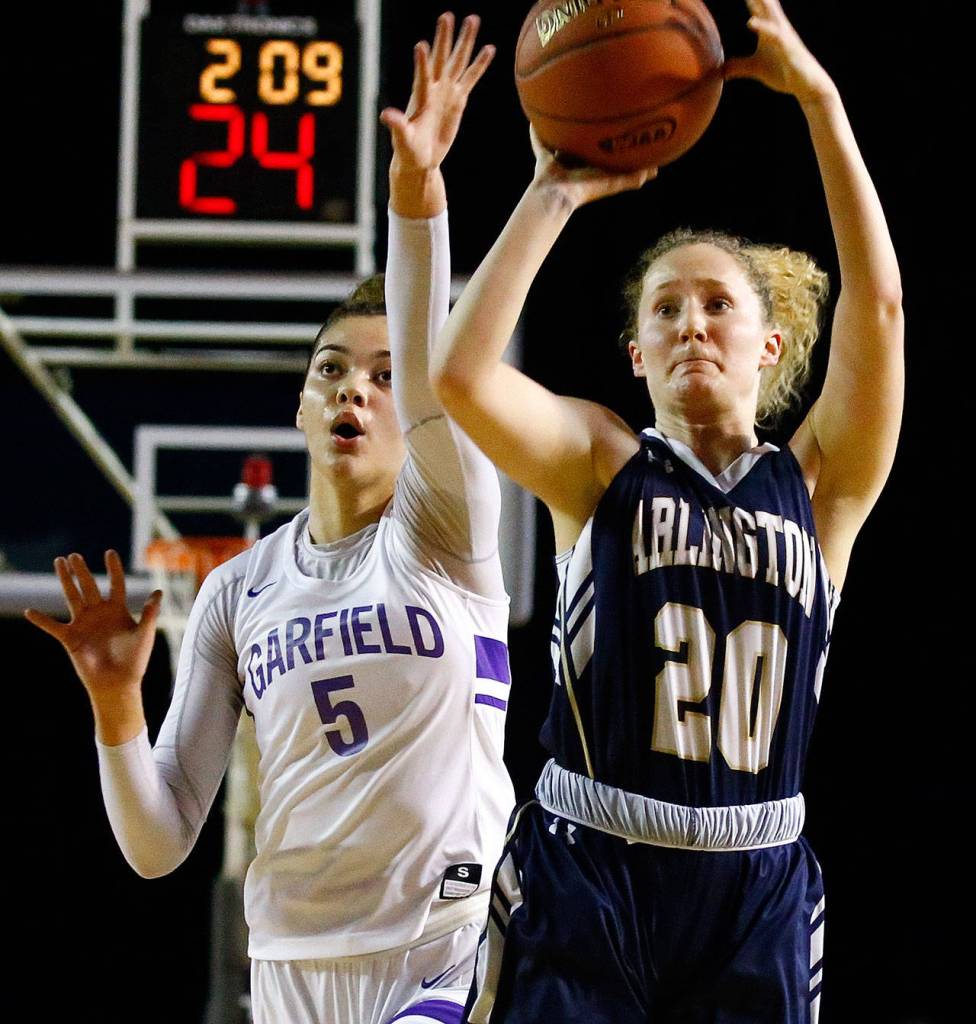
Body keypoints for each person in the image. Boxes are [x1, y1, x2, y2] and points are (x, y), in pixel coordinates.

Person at [25, 15, 513, 1024]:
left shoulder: (449, 529)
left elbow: (432, 369)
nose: (357, 392)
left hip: (445, 943)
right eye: (331, 370)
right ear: (299, 403)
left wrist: (417, 192)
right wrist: (116, 707)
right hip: (292, 956)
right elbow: (159, 845)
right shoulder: (236, 590)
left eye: (382, 376)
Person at [432, 1, 903, 1021]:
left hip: (755, 881)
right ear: (636, 355)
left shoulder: (820, 486)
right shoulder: (600, 462)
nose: (691, 320)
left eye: (718, 304)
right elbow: (460, 375)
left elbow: (880, 310)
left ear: (770, 347)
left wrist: (820, 104)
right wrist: (550, 194)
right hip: (587, 863)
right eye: (664, 308)